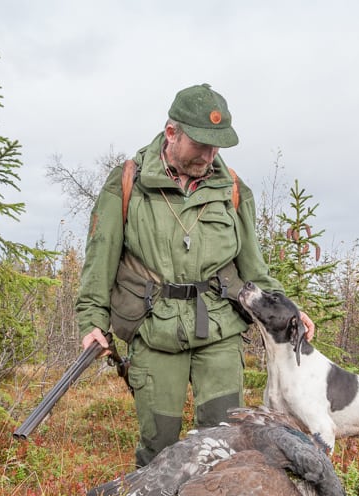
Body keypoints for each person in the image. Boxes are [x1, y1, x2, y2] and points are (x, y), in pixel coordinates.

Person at [75, 83, 314, 467]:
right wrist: (91, 321)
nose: (209, 154)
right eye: (200, 144)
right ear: (172, 133)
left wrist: (289, 311)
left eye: (216, 146)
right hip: (154, 329)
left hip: (219, 328)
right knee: (159, 446)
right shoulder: (128, 184)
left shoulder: (233, 189)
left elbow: (254, 267)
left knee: (224, 441)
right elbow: (99, 262)